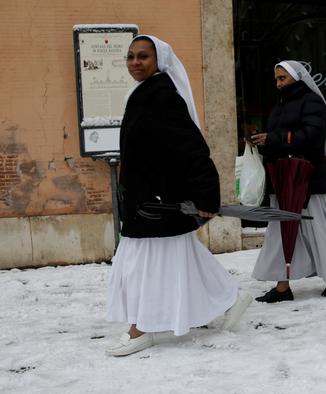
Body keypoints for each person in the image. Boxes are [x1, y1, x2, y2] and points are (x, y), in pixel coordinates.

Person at [105, 35, 252, 357]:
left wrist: (206, 197)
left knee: (141, 265)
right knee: (181, 256)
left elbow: (192, 149)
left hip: (158, 200)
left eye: (143, 56)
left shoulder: (161, 96)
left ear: (159, 60)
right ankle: (228, 297)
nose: (135, 62)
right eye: (130, 56)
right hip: (148, 199)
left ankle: (140, 328)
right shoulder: (145, 93)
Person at [250, 60, 326, 302]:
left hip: (306, 177)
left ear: (296, 77)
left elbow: (312, 137)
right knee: (279, 231)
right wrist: (264, 142)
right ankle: (282, 287)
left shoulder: (312, 102)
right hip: (282, 176)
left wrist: (273, 138)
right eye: (276, 79)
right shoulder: (281, 104)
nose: (278, 83)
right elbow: (281, 138)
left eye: (282, 78)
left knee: (317, 228)